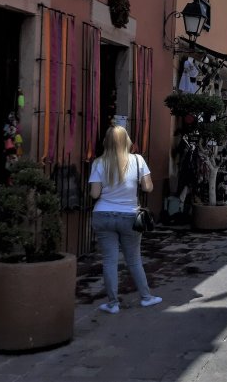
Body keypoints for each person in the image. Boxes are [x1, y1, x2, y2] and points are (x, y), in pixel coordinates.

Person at [89, 125, 162, 314]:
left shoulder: (98, 163)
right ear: (127, 140)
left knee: (109, 261)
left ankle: (113, 304)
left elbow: (95, 194)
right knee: (134, 260)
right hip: (129, 216)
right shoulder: (138, 161)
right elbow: (148, 188)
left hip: (103, 214)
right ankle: (146, 297)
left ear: (107, 142)